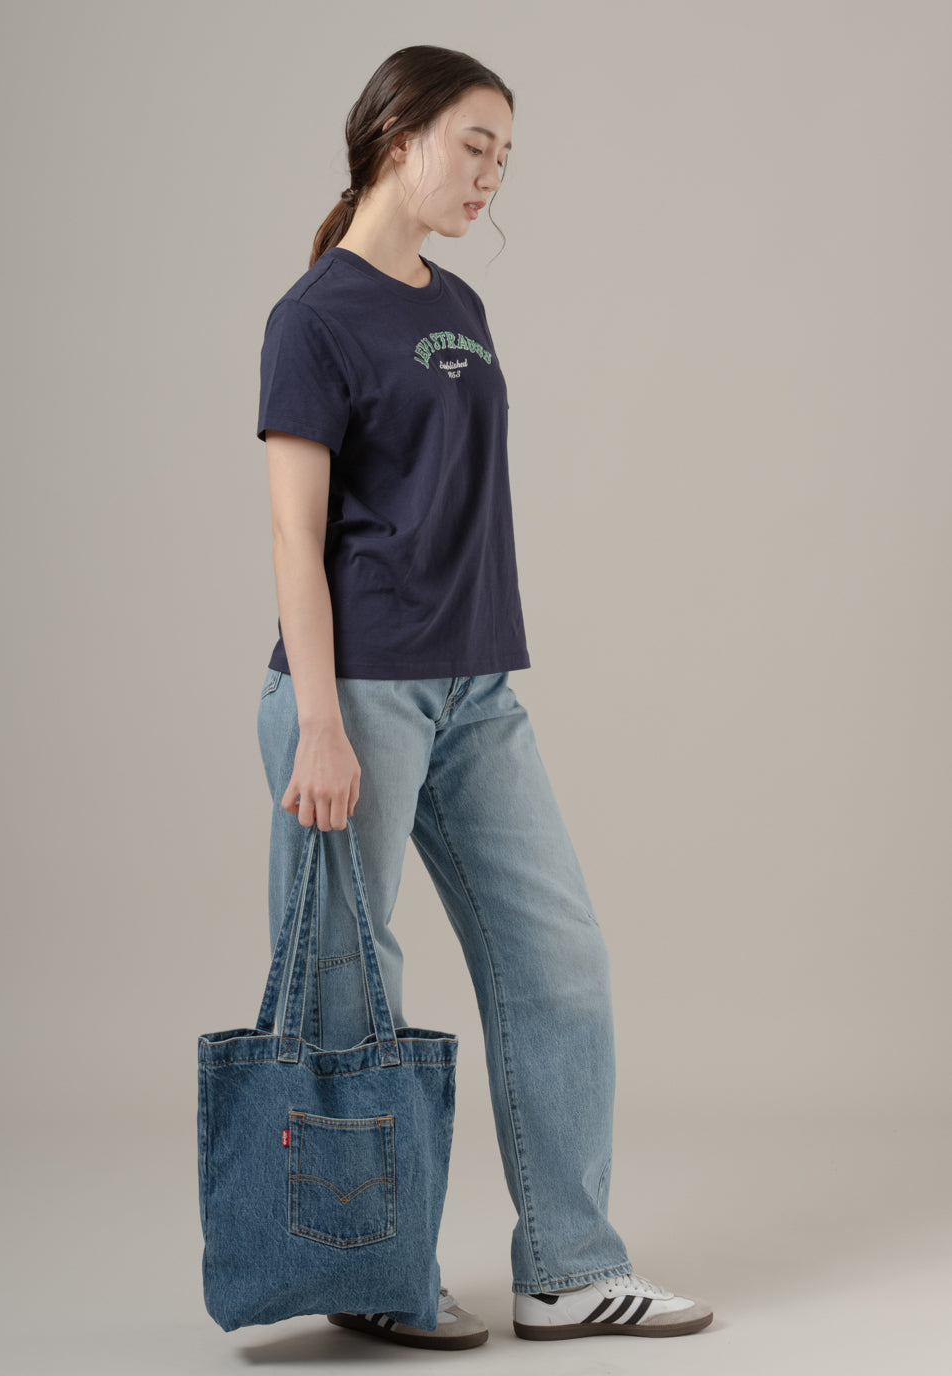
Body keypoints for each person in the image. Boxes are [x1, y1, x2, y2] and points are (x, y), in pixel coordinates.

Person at [254, 44, 713, 1349]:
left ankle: (567, 1266)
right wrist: (322, 719)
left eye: (506, 156)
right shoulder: (312, 318)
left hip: (475, 692)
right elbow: (294, 535)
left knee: (558, 960)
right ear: (397, 136)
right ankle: (369, 1270)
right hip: (359, 696)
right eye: (475, 145)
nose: (492, 175)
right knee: (348, 986)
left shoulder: (458, 301)